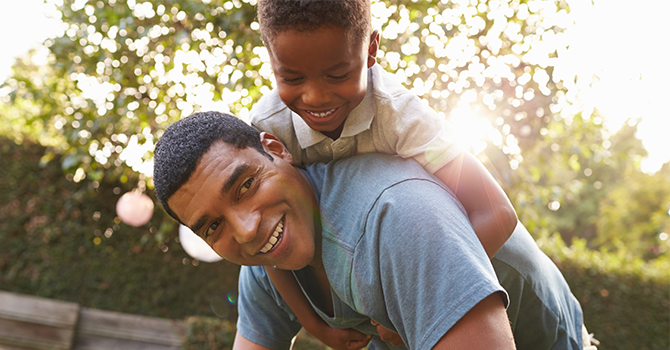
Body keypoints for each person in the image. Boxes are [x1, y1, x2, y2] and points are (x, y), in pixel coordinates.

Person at [152, 111, 589, 350]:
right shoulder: (268, 258)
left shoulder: (393, 214)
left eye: (246, 185)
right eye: (213, 226)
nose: (246, 231)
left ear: (276, 149)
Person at [250, 1, 518, 347]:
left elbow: (496, 213)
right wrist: (315, 325)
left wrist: (415, 304)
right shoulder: (269, 128)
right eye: (291, 77)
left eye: (338, 75)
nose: (315, 96)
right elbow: (267, 247)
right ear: (271, 59)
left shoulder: (404, 118)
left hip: (496, 278)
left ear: (371, 50)